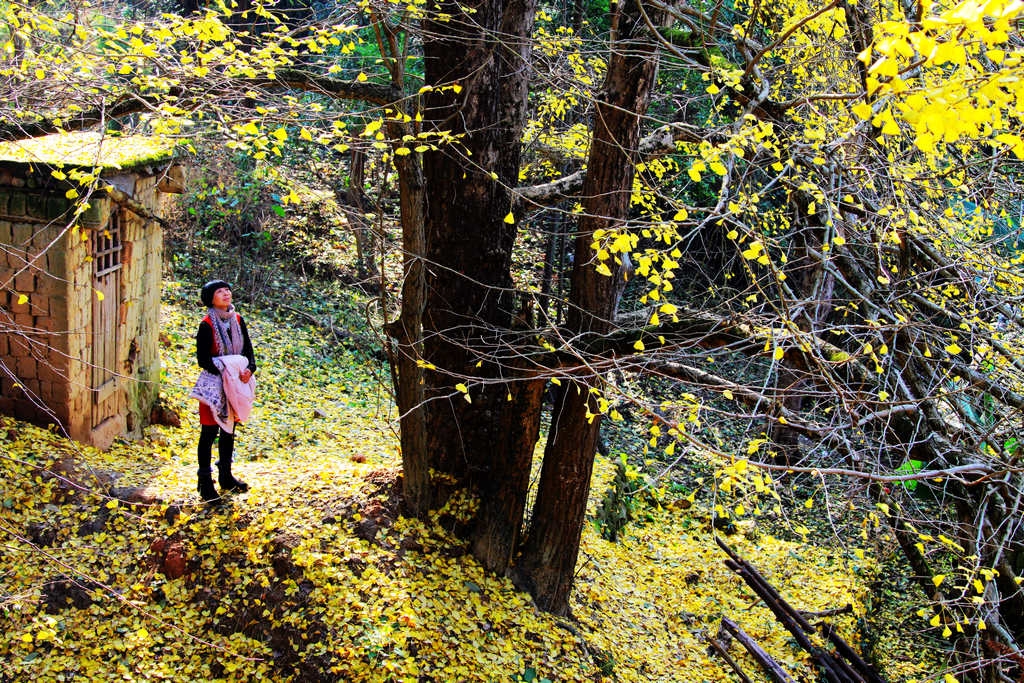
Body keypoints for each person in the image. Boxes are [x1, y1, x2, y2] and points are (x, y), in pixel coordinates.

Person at [192, 280, 256, 502]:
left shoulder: (238, 320)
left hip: (236, 384)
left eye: (227, 290)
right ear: (211, 298)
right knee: (209, 432)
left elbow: (248, 350)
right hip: (214, 384)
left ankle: (226, 476)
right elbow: (203, 359)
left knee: (229, 430)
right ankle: (205, 482)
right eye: (220, 291)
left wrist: (249, 368)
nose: (226, 294)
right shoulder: (207, 324)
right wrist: (228, 368)